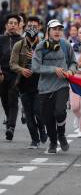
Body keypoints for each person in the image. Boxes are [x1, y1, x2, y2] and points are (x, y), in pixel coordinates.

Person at [32, 19, 77, 154]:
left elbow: (74, 63)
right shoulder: (40, 46)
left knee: (59, 112)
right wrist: (53, 69)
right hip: (45, 87)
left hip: (62, 85)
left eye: (59, 29)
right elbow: (35, 67)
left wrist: (70, 71)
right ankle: (53, 141)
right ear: (48, 31)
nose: (57, 31)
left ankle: (61, 135)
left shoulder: (65, 45)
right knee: (47, 118)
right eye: (54, 29)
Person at [10, 16, 47, 147]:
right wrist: (21, 70)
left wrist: (37, 58)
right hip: (24, 85)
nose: (32, 29)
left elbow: (49, 64)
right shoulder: (19, 45)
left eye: (35, 26)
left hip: (40, 84)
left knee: (38, 111)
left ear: (39, 28)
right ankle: (34, 139)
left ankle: (42, 129)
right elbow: (12, 64)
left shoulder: (44, 45)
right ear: (25, 27)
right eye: (29, 26)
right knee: (29, 114)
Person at [0, 13, 23, 141]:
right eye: (10, 23)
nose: (12, 25)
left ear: (19, 26)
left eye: (15, 23)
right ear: (6, 25)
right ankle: (9, 120)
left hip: (16, 74)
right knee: (4, 100)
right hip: (3, 74)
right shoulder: (1, 39)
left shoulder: (22, 41)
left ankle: (11, 127)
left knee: (13, 98)